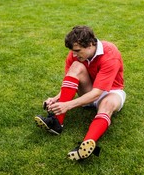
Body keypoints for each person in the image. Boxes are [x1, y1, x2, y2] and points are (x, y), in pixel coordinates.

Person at [35, 25, 126, 161]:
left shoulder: (110, 54)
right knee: (76, 66)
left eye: (77, 51)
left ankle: (86, 144)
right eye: (72, 51)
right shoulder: (75, 54)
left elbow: (97, 94)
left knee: (107, 104)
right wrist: (56, 99)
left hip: (111, 91)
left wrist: (68, 105)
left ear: (90, 44)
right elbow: (70, 82)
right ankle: (56, 123)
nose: (74, 54)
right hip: (89, 90)